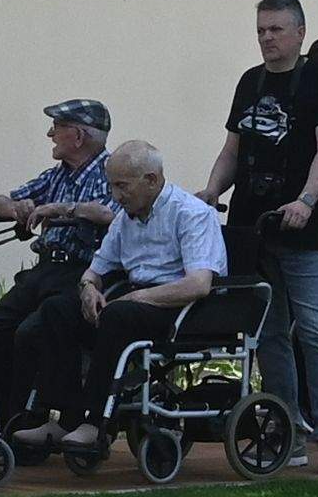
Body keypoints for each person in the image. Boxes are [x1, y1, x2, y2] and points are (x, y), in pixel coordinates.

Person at [206, 0, 318, 477]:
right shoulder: (249, 82)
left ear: (300, 32)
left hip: (305, 228)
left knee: (316, 330)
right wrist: (209, 192)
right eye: (261, 30)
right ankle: (285, 427)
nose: (267, 38)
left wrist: (307, 201)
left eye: (276, 29)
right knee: (269, 333)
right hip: (252, 227)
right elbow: (232, 150)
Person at [0, 95, 122, 450]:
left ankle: (41, 418)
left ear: (78, 136)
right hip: (46, 269)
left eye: (57, 127)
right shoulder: (56, 175)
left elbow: (109, 214)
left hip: (84, 271)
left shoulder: (113, 172)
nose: (50, 134)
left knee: (33, 331)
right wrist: (17, 208)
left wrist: (62, 208)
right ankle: (1, 421)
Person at [81, 139, 232, 411]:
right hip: (134, 301)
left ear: (151, 180)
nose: (115, 196)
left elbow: (198, 285)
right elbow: (95, 270)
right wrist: (89, 288)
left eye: (122, 186)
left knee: (116, 316)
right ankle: (55, 414)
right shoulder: (124, 219)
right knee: (58, 310)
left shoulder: (191, 213)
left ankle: (92, 418)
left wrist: (136, 297)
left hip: (180, 307)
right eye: (112, 186)